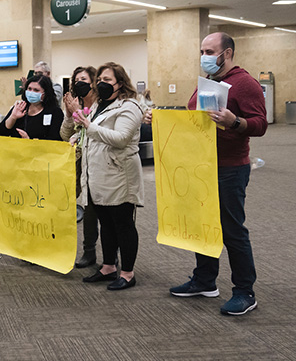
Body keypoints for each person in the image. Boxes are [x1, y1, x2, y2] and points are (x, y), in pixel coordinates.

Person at [162, 32, 267, 316]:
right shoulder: (206, 84)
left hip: (230, 168)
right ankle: (205, 280)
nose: (205, 57)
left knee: (232, 230)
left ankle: (245, 291)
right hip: (201, 165)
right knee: (202, 226)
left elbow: (260, 124)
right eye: (202, 51)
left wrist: (235, 122)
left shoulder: (245, 83)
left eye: (210, 51)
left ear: (228, 53)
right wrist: (160, 119)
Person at [71, 62, 144, 291]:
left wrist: (89, 127)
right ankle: (109, 266)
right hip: (98, 175)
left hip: (119, 175)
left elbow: (121, 138)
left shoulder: (129, 107)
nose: (102, 84)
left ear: (120, 83)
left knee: (122, 224)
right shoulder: (99, 106)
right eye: (100, 80)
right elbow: (91, 131)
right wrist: (80, 134)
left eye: (108, 80)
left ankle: (128, 273)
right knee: (106, 224)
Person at [61, 66, 100, 268]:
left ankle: (113, 257)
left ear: (94, 81)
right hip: (81, 164)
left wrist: (78, 113)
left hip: (101, 164)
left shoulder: (101, 105)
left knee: (108, 214)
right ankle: (89, 251)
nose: (79, 83)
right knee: (89, 210)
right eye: (76, 80)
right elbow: (65, 134)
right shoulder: (78, 103)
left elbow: (97, 131)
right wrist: (69, 115)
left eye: (84, 79)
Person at [0, 74, 63, 141]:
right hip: (16, 150)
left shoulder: (55, 112)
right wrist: (13, 117)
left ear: (46, 93)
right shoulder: (20, 107)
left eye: (36, 90)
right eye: (29, 89)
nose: (31, 92)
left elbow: (55, 140)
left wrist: (29, 141)